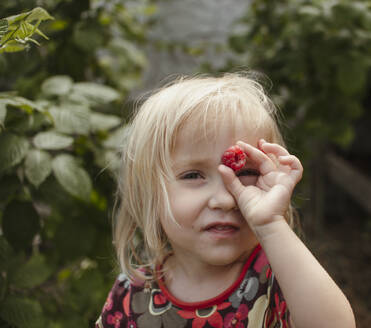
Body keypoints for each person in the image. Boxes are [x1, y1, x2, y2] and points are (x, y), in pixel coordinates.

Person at [96, 73, 355, 328]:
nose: (225, 200)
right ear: (148, 192)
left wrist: (270, 223)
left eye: (247, 173)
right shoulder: (131, 296)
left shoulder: (280, 275)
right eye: (193, 175)